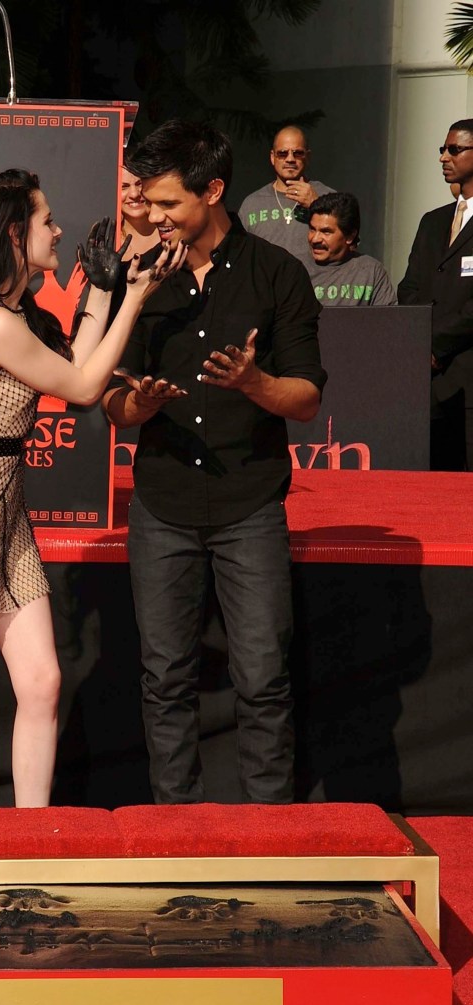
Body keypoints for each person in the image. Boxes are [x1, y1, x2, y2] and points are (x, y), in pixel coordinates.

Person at [0, 169, 185, 810]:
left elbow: (75, 367)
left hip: (2, 513)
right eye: (46, 220)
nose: (58, 230)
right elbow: (85, 389)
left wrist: (101, 289)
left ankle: (32, 840)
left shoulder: (15, 313)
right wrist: (133, 296)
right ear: (13, 234)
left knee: (43, 682)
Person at [103, 119, 327, 805]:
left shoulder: (277, 274)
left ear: (213, 191)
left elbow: (306, 398)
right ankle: (176, 830)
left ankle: (268, 834)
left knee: (262, 678)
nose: (155, 216)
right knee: (165, 677)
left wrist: (254, 383)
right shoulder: (139, 278)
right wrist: (138, 403)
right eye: (148, 202)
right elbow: (110, 400)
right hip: (161, 505)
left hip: (249, 505)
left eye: (168, 203)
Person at [399, 118, 473, 471]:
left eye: (454, 149)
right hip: (427, 382)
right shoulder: (432, 221)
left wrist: (436, 344)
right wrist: (420, 342)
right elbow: (409, 287)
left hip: (467, 375)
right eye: (443, 149)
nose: (444, 157)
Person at [238, 125, 334, 266]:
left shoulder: (328, 196)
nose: (290, 159)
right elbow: (238, 255)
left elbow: (348, 244)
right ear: (272, 157)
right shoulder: (251, 204)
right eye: (282, 153)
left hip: (314, 280)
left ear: (308, 157)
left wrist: (317, 205)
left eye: (298, 153)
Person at [307, 192, 396, 306]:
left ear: (350, 236)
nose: (315, 239)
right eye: (312, 229)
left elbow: (388, 315)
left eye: (326, 232)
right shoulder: (296, 269)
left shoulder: (371, 271)